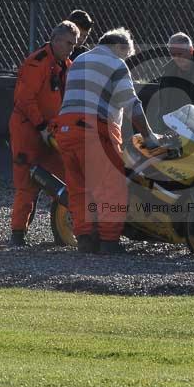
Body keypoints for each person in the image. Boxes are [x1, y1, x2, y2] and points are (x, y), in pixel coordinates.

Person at [54, 28, 162, 255]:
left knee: (79, 188)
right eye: (127, 55)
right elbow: (132, 105)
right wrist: (149, 137)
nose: (127, 60)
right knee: (112, 186)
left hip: (65, 127)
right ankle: (109, 243)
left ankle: (84, 240)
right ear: (120, 48)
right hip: (94, 129)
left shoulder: (80, 60)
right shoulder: (115, 63)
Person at [8, 21, 78, 246]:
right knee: (26, 181)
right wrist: (41, 128)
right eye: (68, 43)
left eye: (74, 44)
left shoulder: (66, 65)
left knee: (65, 175)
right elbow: (24, 99)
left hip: (50, 130)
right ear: (55, 40)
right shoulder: (37, 62)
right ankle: (18, 235)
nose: (71, 48)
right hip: (28, 128)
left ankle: (66, 228)